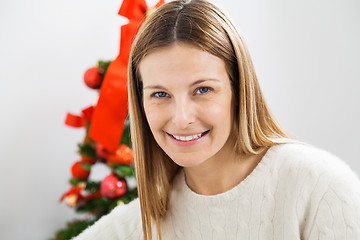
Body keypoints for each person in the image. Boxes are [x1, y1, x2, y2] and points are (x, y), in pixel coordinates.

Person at [73, 0, 360, 239]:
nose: (182, 118)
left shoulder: (320, 188)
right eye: (160, 94)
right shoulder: (138, 225)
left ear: (239, 89)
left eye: (203, 90)